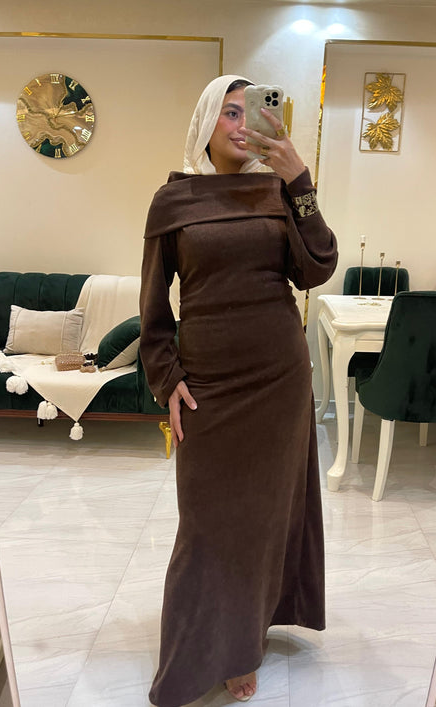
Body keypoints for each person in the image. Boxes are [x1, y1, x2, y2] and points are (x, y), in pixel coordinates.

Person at [139, 74, 338, 707]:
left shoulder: (278, 191)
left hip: (278, 379)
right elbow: (153, 307)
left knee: (263, 516)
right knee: (206, 524)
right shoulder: (173, 201)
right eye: (229, 112)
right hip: (209, 387)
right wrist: (167, 378)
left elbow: (317, 267)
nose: (241, 124)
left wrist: (299, 180)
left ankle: (243, 643)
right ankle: (200, 648)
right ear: (206, 122)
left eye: (249, 112)